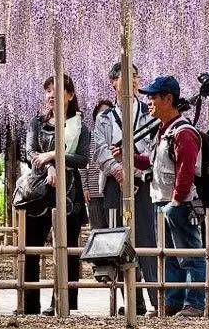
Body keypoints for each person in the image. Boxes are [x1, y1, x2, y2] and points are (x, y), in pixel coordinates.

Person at [128, 75, 205, 318]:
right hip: (161, 200)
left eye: (152, 97)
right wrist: (127, 158)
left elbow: (186, 169)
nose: (148, 102)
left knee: (190, 254)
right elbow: (153, 163)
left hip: (180, 203)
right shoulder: (163, 131)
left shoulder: (184, 132)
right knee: (170, 255)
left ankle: (194, 303)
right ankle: (173, 302)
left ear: (168, 99)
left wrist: (177, 200)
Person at [92, 61, 159, 316]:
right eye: (125, 77)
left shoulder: (148, 112)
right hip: (113, 183)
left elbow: (153, 147)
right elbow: (100, 150)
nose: (131, 81)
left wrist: (133, 167)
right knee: (117, 239)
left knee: (146, 238)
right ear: (113, 82)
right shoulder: (105, 117)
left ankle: (155, 298)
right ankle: (131, 300)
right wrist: (118, 170)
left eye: (135, 77)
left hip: (142, 182)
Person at [22, 73, 90, 316]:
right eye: (48, 90)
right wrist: (49, 166)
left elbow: (82, 159)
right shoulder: (36, 123)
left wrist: (53, 156)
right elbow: (29, 151)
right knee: (31, 248)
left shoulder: (79, 127)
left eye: (58, 90)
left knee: (67, 248)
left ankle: (64, 302)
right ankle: (29, 304)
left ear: (70, 95)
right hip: (39, 191)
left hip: (69, 192)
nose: (51, 95)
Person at [85, 99, 114, 230]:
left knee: (113, 228)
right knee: (97, 229)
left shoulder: (116, 135)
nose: (103, 115)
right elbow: (83, 164)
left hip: (111, 187)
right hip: (94, 189)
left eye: (107, 112)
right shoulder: (89, 136)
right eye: (101, 112)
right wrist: (84, 187)